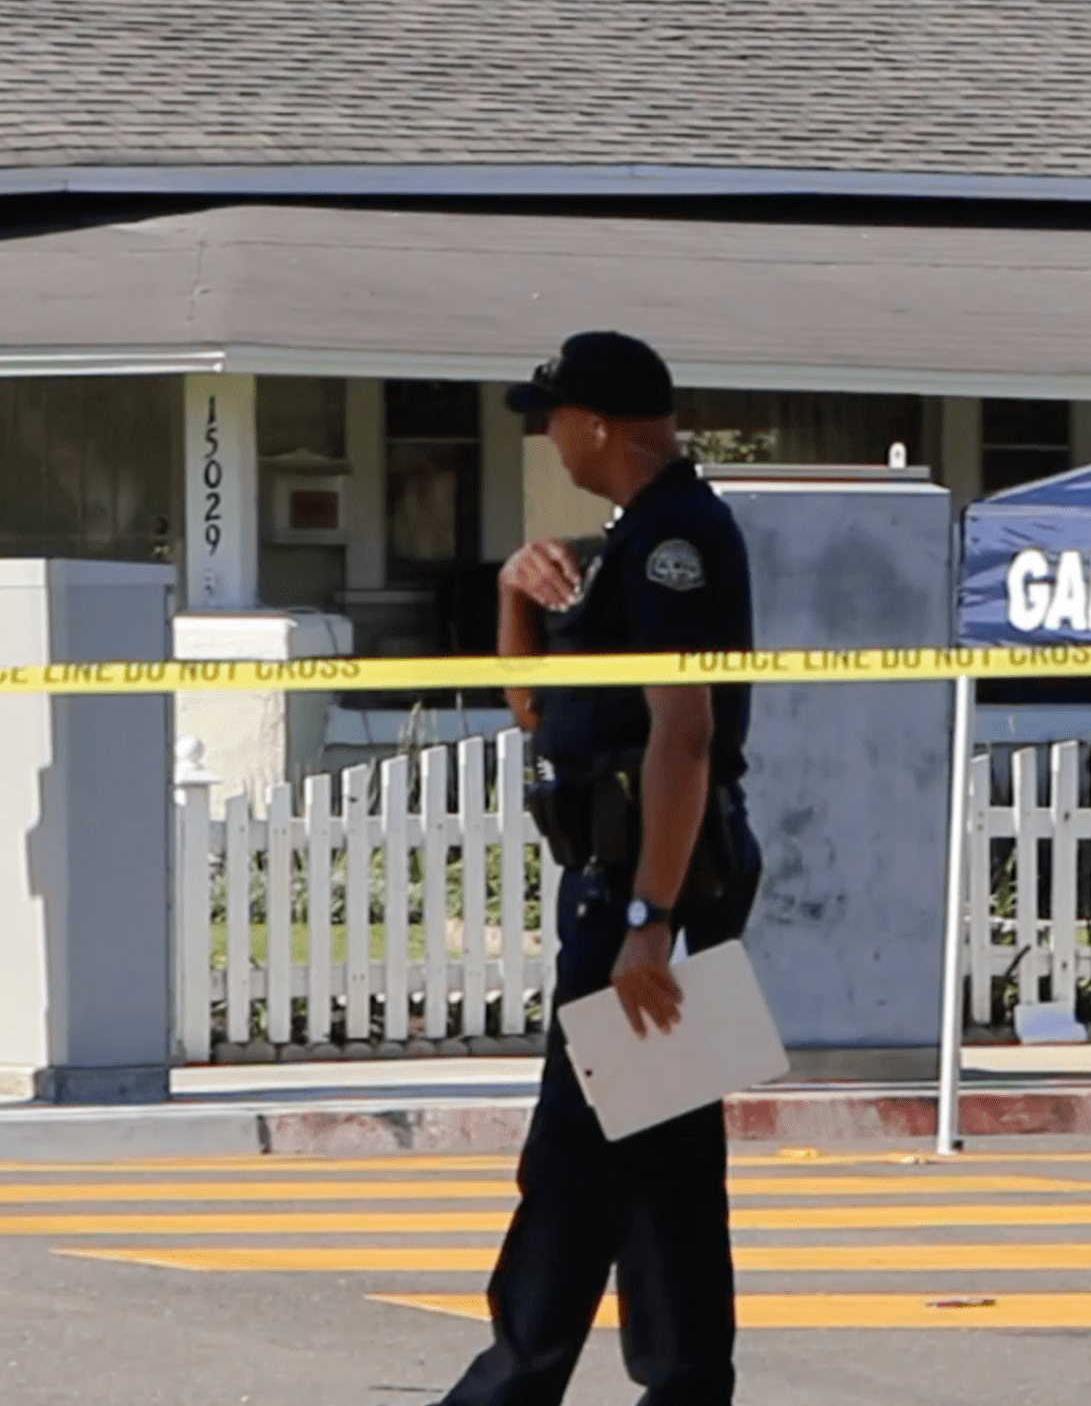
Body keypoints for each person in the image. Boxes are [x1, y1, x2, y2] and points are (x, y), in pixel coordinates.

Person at [440, 330, 762, 1406]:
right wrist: (515, 600)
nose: (547, 436)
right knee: (665, 1171)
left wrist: (648, 916)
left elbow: (685, 736)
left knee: (573, 1164)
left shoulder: (677, 541)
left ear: (599, 425)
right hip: (641, 880)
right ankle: (685, 1385)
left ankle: (507, 1386)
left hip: (657, 883)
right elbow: (537, 711)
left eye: (553, 416)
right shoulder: (628, 542)